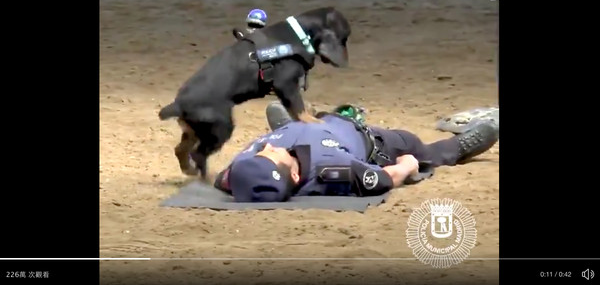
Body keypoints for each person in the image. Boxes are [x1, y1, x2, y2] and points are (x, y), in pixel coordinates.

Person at [189, 101, 499, 202]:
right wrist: (407, 166)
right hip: (370, 142)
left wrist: (280, 139)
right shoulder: (332, 171)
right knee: (415, 146)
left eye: (264, 150)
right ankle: (456, 148)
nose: (269, 147)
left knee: (292, 126)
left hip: (312, 126)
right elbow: (384, 179)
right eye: (273, 154)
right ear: (295, 173)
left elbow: (226, 179)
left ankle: (285, 124)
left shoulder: (238, 172)